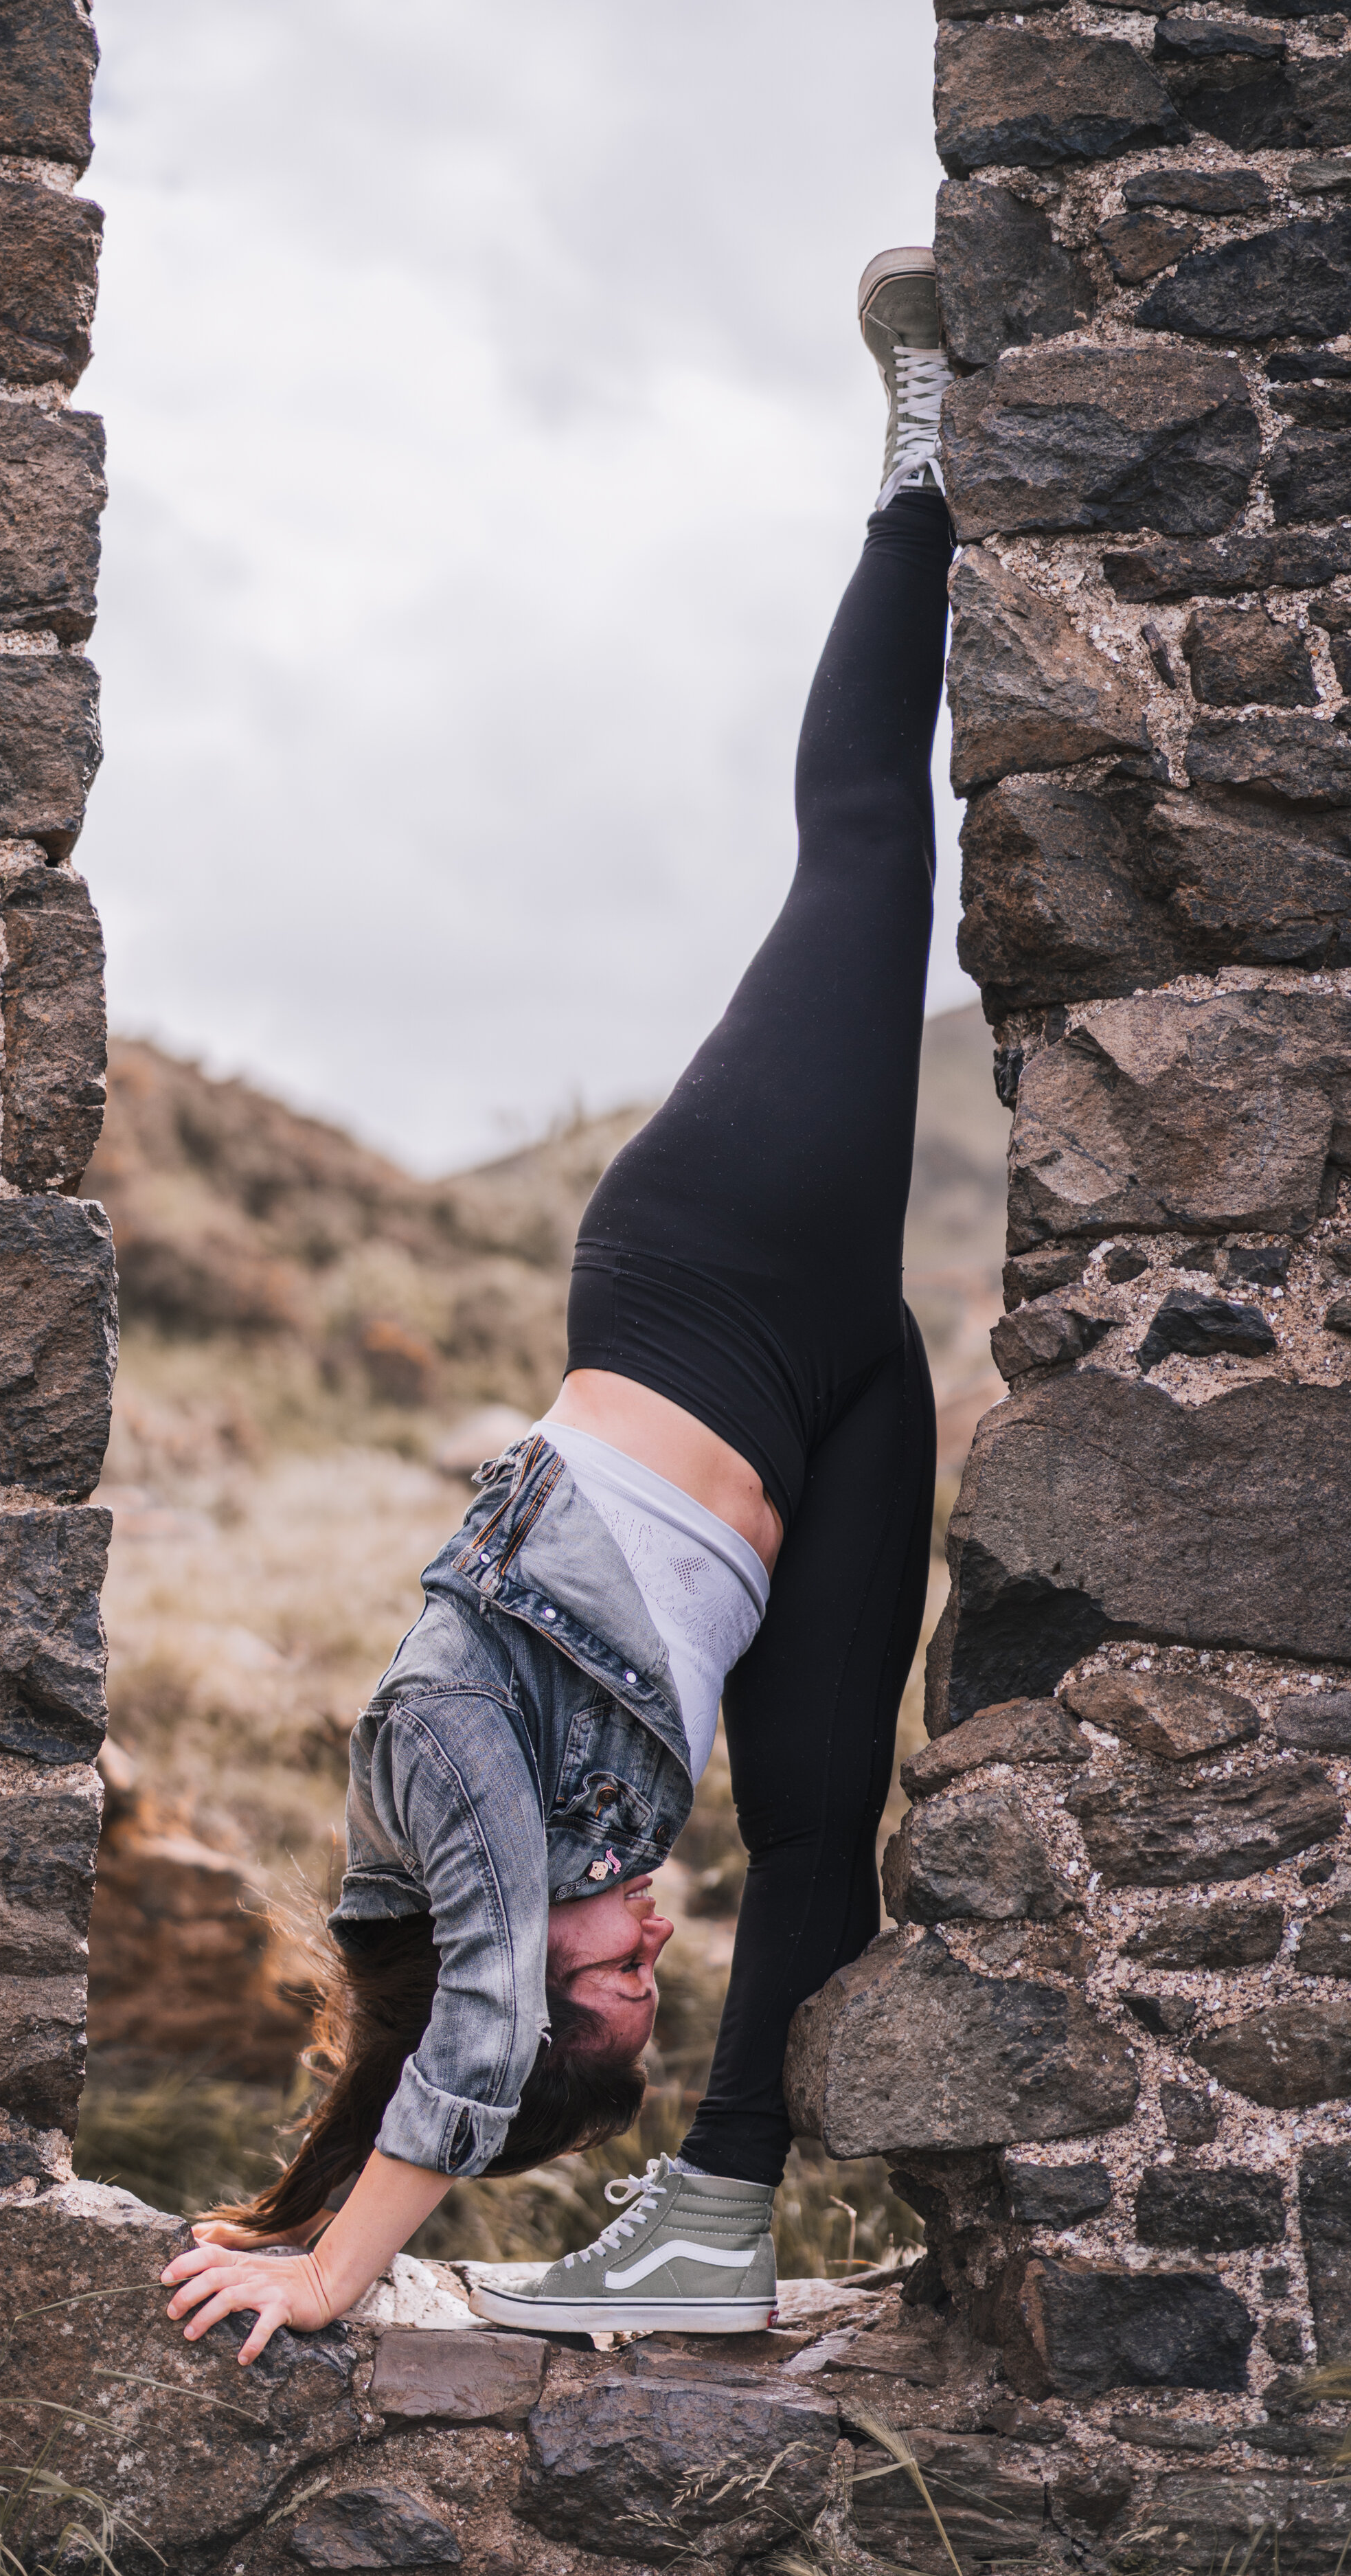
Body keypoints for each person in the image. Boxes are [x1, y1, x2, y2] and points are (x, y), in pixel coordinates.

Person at [160, 245, 955, 2359]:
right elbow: (439, 2028)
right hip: (822, 1408)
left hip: (706, 1267)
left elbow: (475, 2005)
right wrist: (315, 2193)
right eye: (641, 1990)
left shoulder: (436, 1778)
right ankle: (709, 2214)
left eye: (615, 1980)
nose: (639, 1937)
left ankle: (920, 458)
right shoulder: (503, 1892)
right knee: (809, 1835)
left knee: (865, 859)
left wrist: (330, 2277)